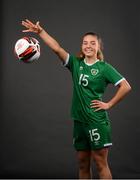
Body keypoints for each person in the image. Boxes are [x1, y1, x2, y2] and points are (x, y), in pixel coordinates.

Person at [21, 19, 131, 179]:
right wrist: (40, 32)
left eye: (93, 43)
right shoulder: (75, 64)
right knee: (82, 162)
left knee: (100, 163)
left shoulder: (104, 68)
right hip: (79, 121)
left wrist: (109, 104)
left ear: (98, 47)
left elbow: (126, 86)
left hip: (96, 121)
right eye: (85, 43)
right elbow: (57, 49)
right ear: (82, 45)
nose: (88, 46)